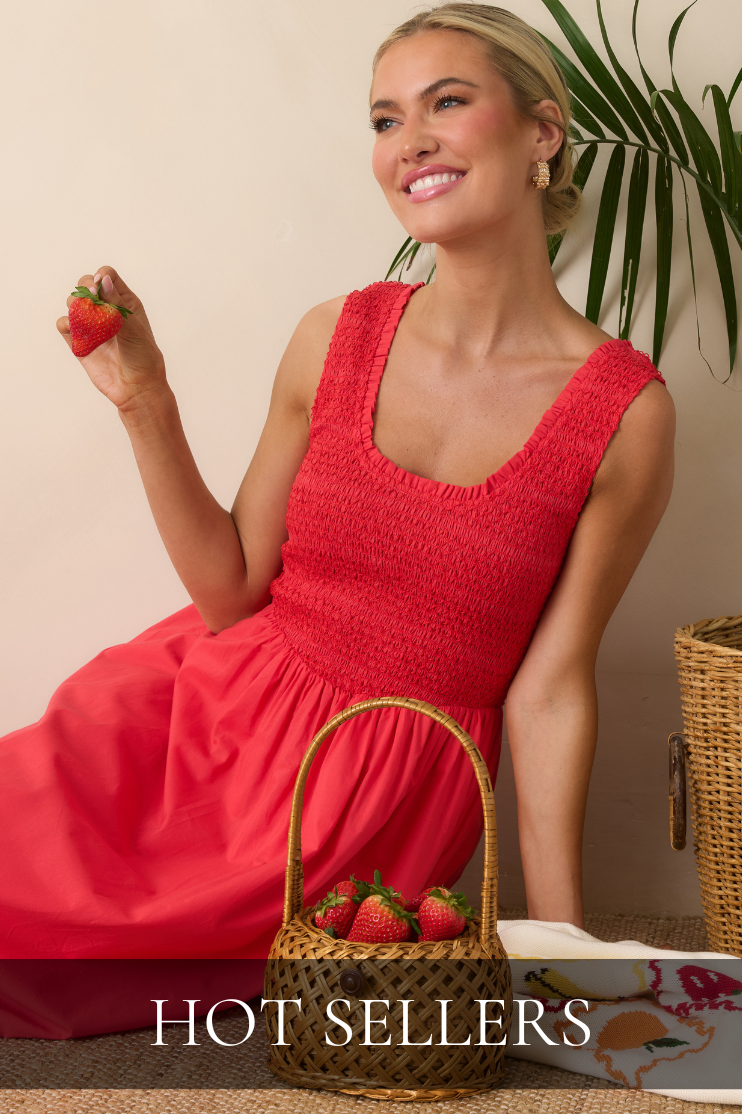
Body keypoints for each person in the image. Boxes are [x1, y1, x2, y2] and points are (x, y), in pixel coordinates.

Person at [0, 2, 674, 1038]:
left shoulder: (622, 412)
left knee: (77, 950)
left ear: (542, 132)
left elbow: (547, 685)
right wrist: (146, 401)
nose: (410, 143)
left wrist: (562, 945)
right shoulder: (336, 335)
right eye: (384, 119)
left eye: (447, 102)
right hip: (198, 720)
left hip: (363, 801)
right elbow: (230, 590)